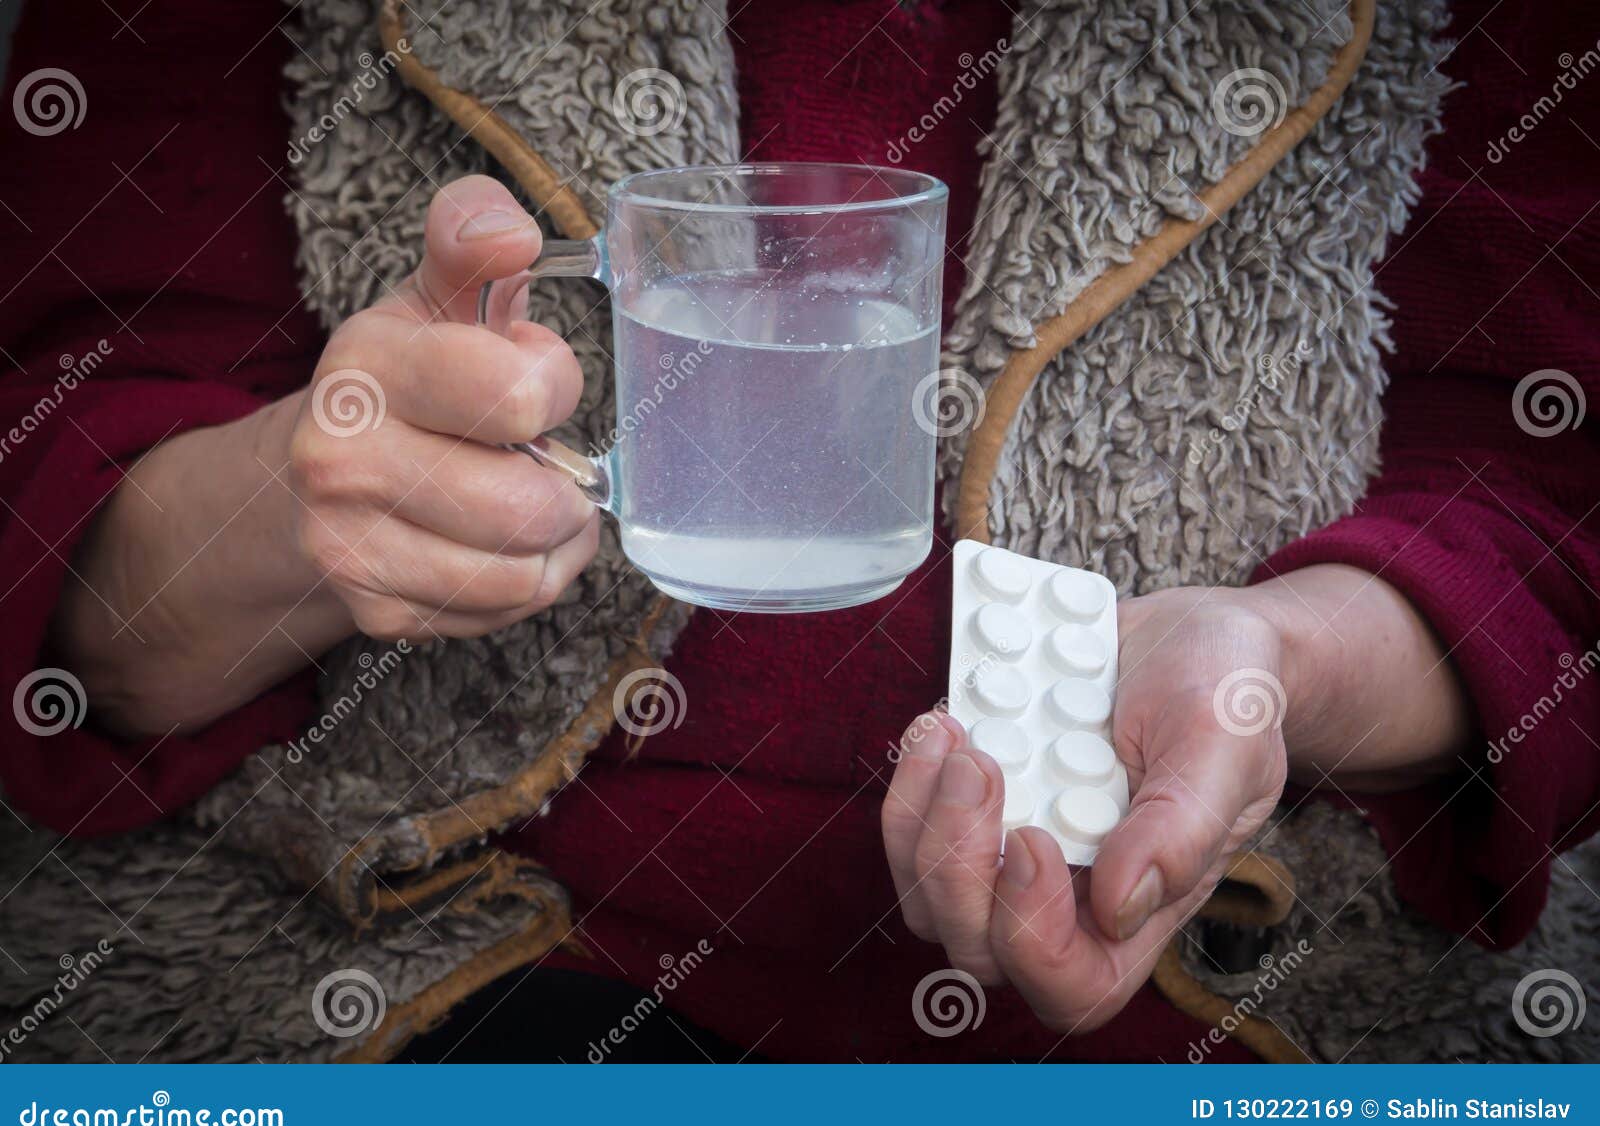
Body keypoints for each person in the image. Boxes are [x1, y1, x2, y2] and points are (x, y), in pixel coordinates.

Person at [1, 0, 1597, 1060]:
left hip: (1223, 976)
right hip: (418, 954)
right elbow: (51, 466)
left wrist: (1282, 665)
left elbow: (1544, 496)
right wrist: (298, 499)